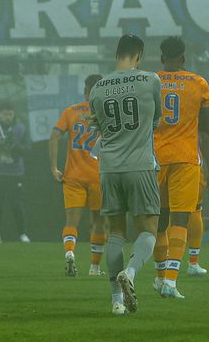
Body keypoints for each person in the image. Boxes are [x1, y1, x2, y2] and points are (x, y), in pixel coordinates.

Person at [89, 34, 163, 316]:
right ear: (139, 54)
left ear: (116, 54)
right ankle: (130, 272)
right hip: (140, 164)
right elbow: (156, 119)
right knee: (148, 228)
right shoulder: (150, 80)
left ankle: (116, 301)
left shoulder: (97, 87)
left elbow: (98, 124)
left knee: (115, 233)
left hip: (109, 167)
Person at [150, 37, 209, 298]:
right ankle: (171, 281)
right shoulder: (198, 83)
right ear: (184, 58)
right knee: (180, 218)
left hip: (153, 158)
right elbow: (208, 127)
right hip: (185, 158)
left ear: (162, 57)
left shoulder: (150, 81)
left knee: (159, 220)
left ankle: (158, 275)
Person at [49, 74, 105, 277]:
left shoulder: (71, 112)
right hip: (99, 177)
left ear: (85, 90)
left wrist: (54, 167)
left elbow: (54, 136)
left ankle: (70, 253)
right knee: (99, 222)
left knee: (71, 222)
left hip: (73, 177)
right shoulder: (108, 112)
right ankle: (95, 267)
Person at [0, 103, 30, 244]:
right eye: (4, 114)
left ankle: (22, 234)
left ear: (14, 114)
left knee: (17, 204)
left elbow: (27, 150)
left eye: (10, 114)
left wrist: (15, 146)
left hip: (15, 173)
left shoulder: (21, 129)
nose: (7, 117)